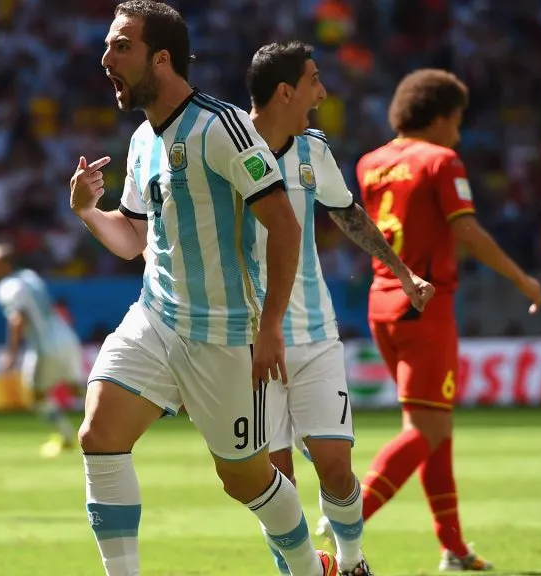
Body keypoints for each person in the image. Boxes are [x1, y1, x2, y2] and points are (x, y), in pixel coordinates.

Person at [68, 2, 337, 575]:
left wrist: (270, 330)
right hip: (156, 317)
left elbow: (285, 228)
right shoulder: (143, 140)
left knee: (244, 479)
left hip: (224, 335)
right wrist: (91, 212)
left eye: (121, 47)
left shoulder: (223, 128)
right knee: (98, 434)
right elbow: (135, 238)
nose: (105, 59)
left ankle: (312, 569)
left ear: (160, 58)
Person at [321, 69, 541, 572]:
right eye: (457, 121)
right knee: (426, 429)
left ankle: (454, 548)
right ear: (441, 117)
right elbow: (463, 229)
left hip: (384, 303)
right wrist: (521, 280)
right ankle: (347, 515)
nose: (459, 133)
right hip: (428, 304)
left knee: (433, 429)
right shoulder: (441, 160)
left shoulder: (371, 162)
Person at [246, 42, 434, 576]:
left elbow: (348, 214)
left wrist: (401, 271)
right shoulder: (225, 146)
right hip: (248, 340)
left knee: (334, 466)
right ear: (286, 91)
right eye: (314, 81)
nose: (323, 92)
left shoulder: (313, 152)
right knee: (273, 482)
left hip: (313, 332)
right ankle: (299, 570)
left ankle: (351, 563)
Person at [0, 242, 83, 458]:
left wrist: (11, 353)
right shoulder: (30, 276)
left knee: (37, 396)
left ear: (4, 264)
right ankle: (122, 419)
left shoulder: (7, 287)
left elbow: (17, 318)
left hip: (45, 345)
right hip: (66, 337)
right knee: (78, 390)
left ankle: (66, 437)